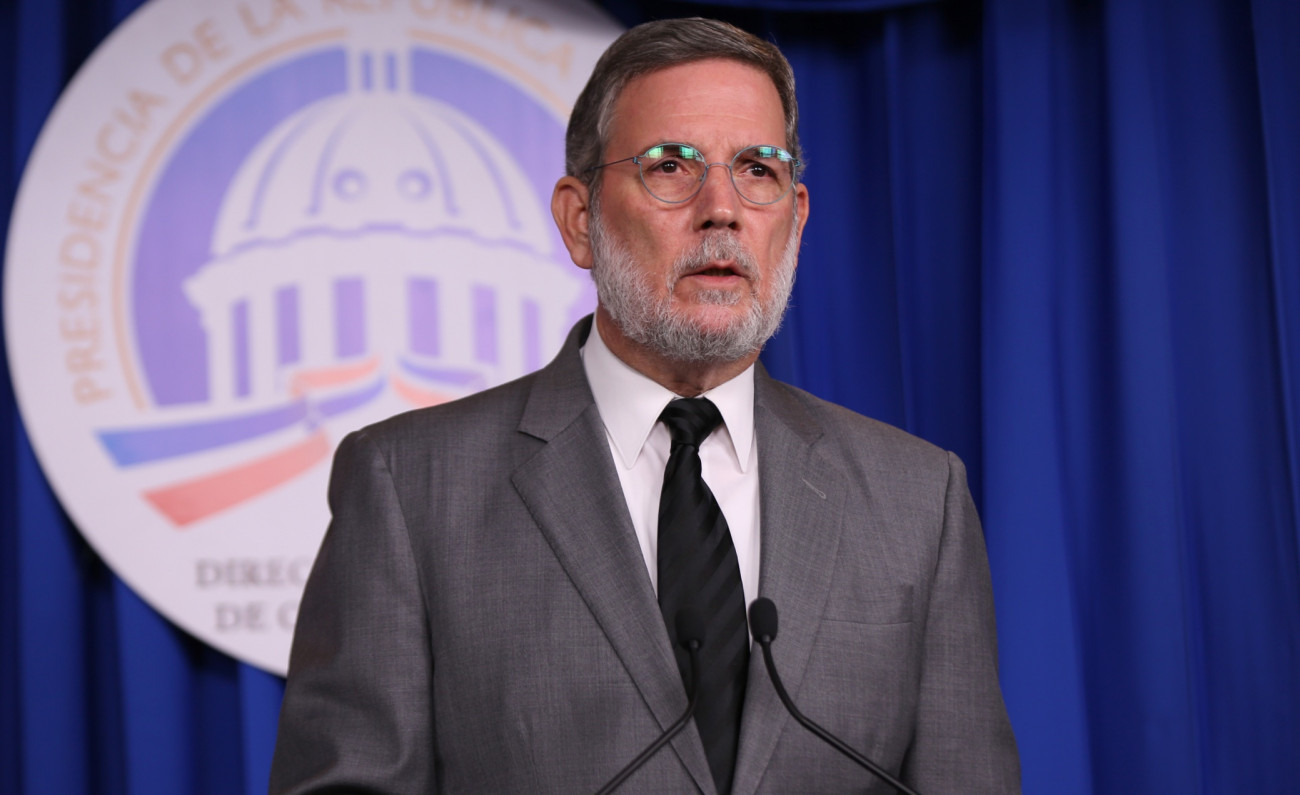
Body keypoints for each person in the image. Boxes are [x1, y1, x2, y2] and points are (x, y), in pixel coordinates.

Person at [270, 17, 1020, 795]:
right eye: (670, 166)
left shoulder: (917, 500)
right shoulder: (410, 486)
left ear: (795, 218)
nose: (722, 208)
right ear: (580, 221)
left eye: (757, 170)